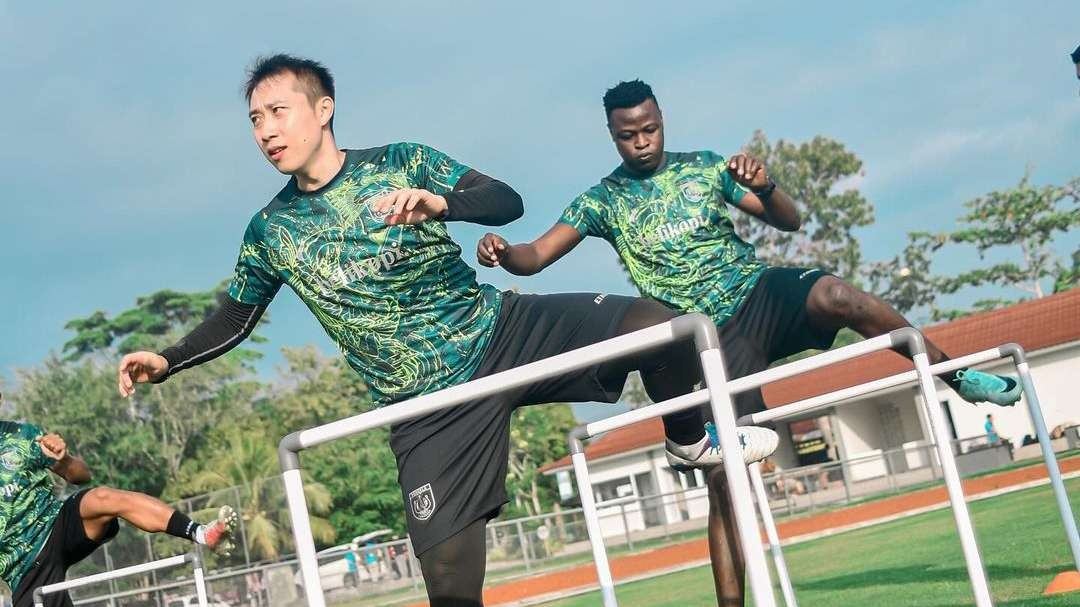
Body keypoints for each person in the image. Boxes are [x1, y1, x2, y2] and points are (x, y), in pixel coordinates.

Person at [114, 55, 778, 607]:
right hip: (428, 408)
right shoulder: (272, 232)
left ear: (323, 109)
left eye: (277, 111)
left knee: (659, 327)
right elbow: (235, 314)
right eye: (254, 119)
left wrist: (441, 203)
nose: (265, 130)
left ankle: (690, 444)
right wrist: (166, 359)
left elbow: (505, 200)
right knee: (453, 593)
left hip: (503, 331)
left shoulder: (403, 160)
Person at [476, 79, 1023, 603]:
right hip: (705, 341)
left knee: (840, 296)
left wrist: (765, 186)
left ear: (662, 121)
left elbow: (789, 220)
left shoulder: (707, 169)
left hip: (756, 297)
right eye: (628, 135)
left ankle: (954, 374)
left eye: (650, 129)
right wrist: (505, 253)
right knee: (726, 480)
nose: (642, 142)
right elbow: (537, 256)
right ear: (612, 135)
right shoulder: (602, 201)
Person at [0, 397, 237, 607]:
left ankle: (202, 534)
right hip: (23, 566)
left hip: (56, 524)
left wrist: (63, 460)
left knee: (103, 497)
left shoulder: (24, 436)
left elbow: (81, 476)